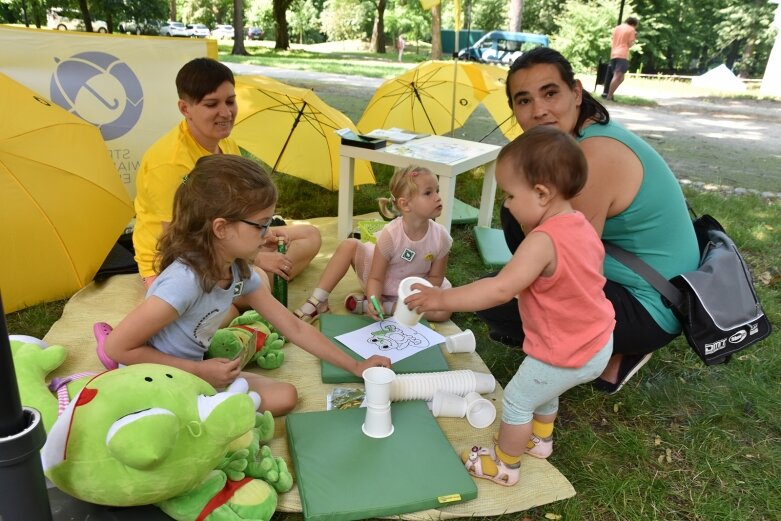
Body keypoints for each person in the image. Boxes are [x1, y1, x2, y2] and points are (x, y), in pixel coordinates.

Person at [480, 47, 699, 394]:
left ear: (577, 93)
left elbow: (571, 267)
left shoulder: (593, 154)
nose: (538, 110)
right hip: (649, 285)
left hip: (652, 306)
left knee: (501, 303)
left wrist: (508, 288)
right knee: (515, 222)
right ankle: (607, 345)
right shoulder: (574, 142)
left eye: (550, 93)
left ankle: (616, 351)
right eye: (524, 101)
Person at [404, 126, 615, 487]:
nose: (506, 204)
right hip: (598, 342)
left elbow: (499, 289)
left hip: (565, 350)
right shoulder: (580, 225)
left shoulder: (542, 241)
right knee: (545, 390)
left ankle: (505, 465)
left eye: (510, 195)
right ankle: (540, 440)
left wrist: (440, 298)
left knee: (518, 401)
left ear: (542, 193)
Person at [104, 155, 391, 416]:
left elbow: (294, 327)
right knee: (204, 421)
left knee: (285, 396)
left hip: (193, 370)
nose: (269, 234)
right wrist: (198, 370)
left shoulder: (240, 271)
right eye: (261, 224)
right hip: (152, 377)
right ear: (221, 228)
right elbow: (117, 347)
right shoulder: (183, 282)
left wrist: (356, 366)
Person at [132, 57, 321, 291]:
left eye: (230, 101)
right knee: (258, 279)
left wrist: (260, 236)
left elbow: (241, 207)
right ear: (185, 108)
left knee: (310, 235)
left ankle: (254, 285)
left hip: (227, 240)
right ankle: (253, 287)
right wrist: (255, 257)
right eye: (212, 105)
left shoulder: (227, 145)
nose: (226, 113)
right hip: (182, 260)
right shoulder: (168, 163)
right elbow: (179, 242)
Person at [293, 165, 453, 324]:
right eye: (428, 193)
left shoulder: (441, 237)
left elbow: (436, 278)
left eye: (437, 190)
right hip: (382, 282)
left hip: (415, 288)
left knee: (444, 312)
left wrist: (419, 298)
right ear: (405, 205)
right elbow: (376, 277)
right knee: (349, 245)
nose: (438, 197)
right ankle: (317, 300)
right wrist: (373, 299)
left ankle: (388, 307)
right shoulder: (390, 236)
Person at [603, 16, 638, 100]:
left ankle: (610, 94)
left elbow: (613, 39)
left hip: (614, 53)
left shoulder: (617, 28)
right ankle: (609, 96)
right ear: (634, 24)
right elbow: (630, 44)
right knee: (617, 76)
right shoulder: (631, 29)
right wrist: (635, 38)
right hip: (622, 54)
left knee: (621, 78)